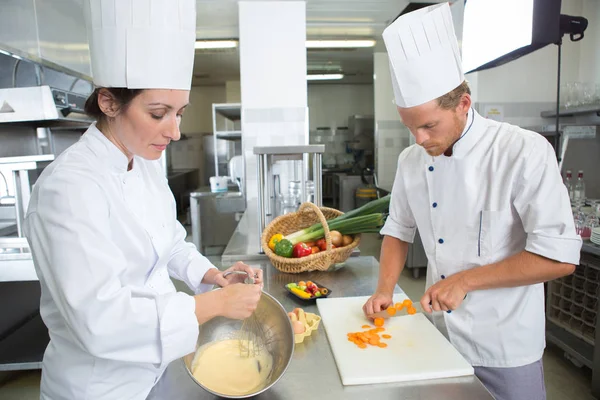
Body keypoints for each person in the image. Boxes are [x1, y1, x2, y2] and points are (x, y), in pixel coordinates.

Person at [23, 1, 262, 399]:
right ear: (109, 102)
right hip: (99, 387)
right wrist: (215, 304)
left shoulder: (145, 164)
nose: (174, 131)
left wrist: (211, 277)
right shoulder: (67, 189)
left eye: (179, 113)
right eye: (158, 113)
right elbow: (100, 320)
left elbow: (168, 243)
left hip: (156, 371)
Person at [362, 4, 582, 400]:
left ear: (464, 104)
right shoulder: (412, 161)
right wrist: (385, 290)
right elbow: (398, 230)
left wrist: (465, 280)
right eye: (410, 126)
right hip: (438, 334)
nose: (420, 140)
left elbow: (559, 257)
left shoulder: (521, 151)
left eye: (429, 125)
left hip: (505, 347)